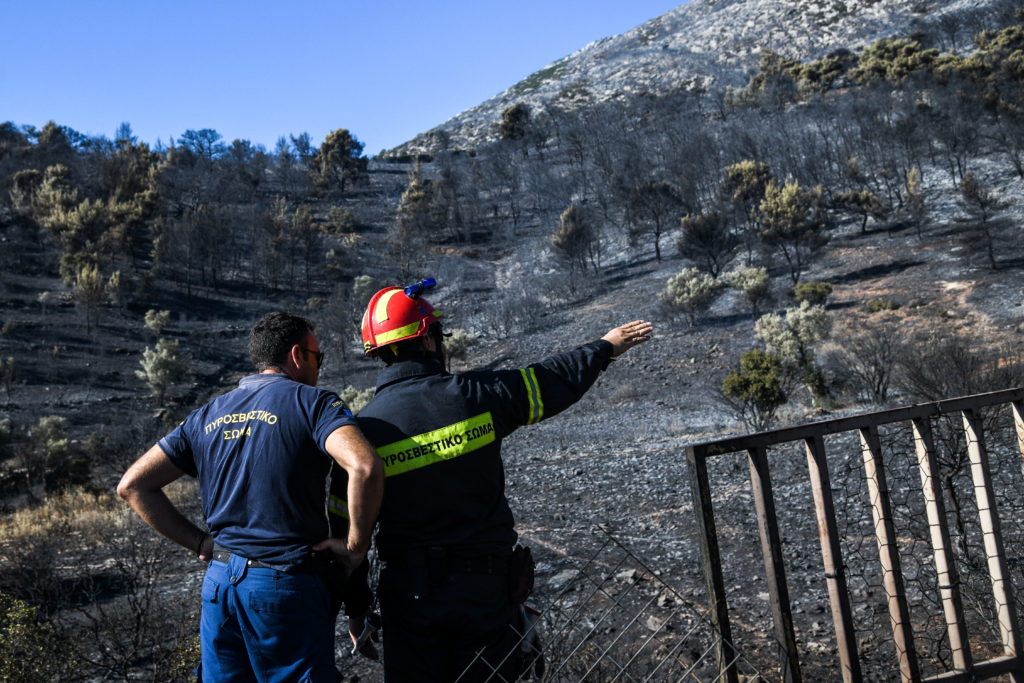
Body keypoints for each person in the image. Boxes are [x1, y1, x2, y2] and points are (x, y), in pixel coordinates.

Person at [349, 278, 653, 681]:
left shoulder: (358, 433)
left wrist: (356, 610)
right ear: (427, 340)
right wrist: (604, 347)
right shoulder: (477, 395)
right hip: (484, 592)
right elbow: (551, 379)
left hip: (409, 600)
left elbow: (346, 534)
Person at [117, 311, 384, 682]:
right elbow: (364, 466)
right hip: (283, 586)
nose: (318, 368)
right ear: (296, 355)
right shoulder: (313, 403)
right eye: (317, 357)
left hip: (221, 583)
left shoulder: (207, 414)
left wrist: (199, 541)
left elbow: (132, 485)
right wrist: (355, 548)